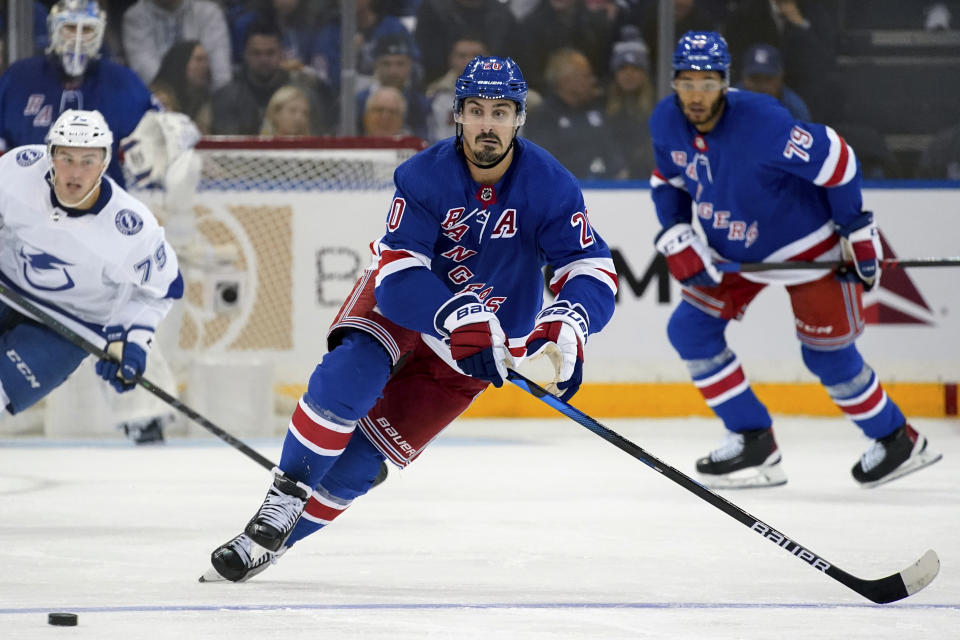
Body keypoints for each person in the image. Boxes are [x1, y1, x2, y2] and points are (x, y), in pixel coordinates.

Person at [201, 55, 618, 582]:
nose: (487, 124)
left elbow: (589, 267)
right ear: (458, 116)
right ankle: (282, 498)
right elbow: (398, 276)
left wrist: (570, 323)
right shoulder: (423, 175)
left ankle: (271, 543)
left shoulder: (551, 185)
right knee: (347, 376)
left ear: (518, 118)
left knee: (361, 466)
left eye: (500, 112)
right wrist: (458, 312)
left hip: (475, 348)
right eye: (476, 111)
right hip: (407, 309)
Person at [649, 31, 942, 490]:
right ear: (674, 84)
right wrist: (675, 227)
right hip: (733, 253)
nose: (696, 95)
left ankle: (896, 439)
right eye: (686, 83)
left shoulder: (764, 123)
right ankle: (752, 439)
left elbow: (839, 161)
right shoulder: (666, 121)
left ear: (725, 83)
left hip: (807, 250)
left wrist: (857, 229)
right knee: (690, 329)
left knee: (827, 358)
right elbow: (666, 179)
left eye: (707, 83)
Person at [0, 109, 182, 428]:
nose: (75, 173)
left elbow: (161, 290)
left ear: (104, 164)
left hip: (67, 326)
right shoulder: (18, 168)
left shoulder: (131, 229)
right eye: (66, 158)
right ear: (50, 155)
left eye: (87, 161)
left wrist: (132, 343)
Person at [0, 0, 157, 187]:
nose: (77, 39)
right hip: (27, 202)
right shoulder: (19, 78)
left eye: (87, 30)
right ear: (53, 29)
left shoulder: (123, 82)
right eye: (70, 28)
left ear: (99, 33)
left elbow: (156, 137)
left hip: (100, 206)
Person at [211, 18, 334, 135]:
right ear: (245, 54)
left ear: (281, 53)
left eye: (270, 52)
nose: (264, 59)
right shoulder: (228, 95)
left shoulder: (302, 93)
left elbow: (315, 138)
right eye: (256, 53)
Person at [523, 48, 627, 180]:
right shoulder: (543, 116)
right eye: (586, 75)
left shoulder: (597, 113)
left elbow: (615, 159)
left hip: (606, 190)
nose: (593, 81)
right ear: (566, 81)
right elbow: (542, 165)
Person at [121, 0, 232, 91]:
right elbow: (148, 75)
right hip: (163, 103)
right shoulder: (135, 17)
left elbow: (221, 75)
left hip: (207, 100)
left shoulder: (209, 12)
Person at [605, 27, 655, 179]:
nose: (629, 74)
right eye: (623, 68)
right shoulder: (602, 108)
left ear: (644, 73)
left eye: (635, 68)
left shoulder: (657, 108)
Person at [152, 41, 214, 134]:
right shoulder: (159, 96)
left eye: (206, 60)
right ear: (181, 62)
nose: (205, 66)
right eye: (199, 60)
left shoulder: (204, 100)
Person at [738, 43, 810, 121]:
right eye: (755, 79)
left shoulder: (795, 110)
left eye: (768, 79)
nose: (761, 87)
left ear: (780, 77)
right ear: (743, 77)